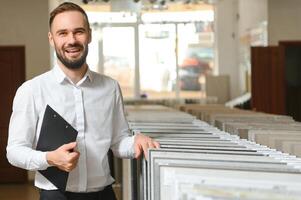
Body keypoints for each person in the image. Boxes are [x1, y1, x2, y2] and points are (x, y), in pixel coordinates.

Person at [6, 2, 159, 200]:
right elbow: (14, 151)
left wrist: (135, 141)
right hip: (56, 195)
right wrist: (49, 158)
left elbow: (118, 142)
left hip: (103, 194)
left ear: (90, 35)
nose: (72, 40)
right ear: (51, 39)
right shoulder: (32, 90)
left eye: (78, 32)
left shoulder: (110, 87)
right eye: (63, 33)